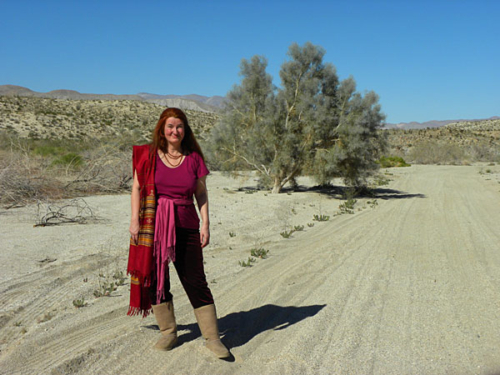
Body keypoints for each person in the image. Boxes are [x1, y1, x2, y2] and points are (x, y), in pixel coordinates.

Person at [127, 107, 229, 359]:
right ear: (162, 129)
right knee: (156, 279)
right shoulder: (148, 156)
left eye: (180, 126)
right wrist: (134, 221)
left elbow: (201, 193)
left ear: (185, 130)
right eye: (170, 126)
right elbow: (137, 188)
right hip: (153, 225)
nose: (175, 130)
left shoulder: (193, 158)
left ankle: (212, 338)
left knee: (195, 280)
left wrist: (205, 223)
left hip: (186, 223)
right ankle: (168, 332)